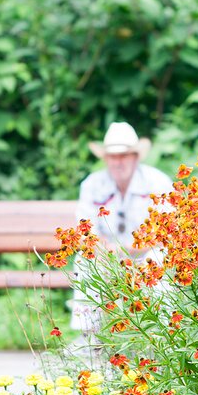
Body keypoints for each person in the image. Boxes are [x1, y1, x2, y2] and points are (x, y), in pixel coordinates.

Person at [69, 122, 173, 334]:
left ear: (135, 157)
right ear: (105, 158)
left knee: (160, 256)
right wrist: (104, 251)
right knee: (84, 259)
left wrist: (129, 249)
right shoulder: (91, 184)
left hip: (145, 254)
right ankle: (89, 336)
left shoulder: (158, 181)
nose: (118, 162)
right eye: (113, 156)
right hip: (107, 256)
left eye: (124, 156)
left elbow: (167, 230)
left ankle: (162, 332)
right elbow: (85, 232)